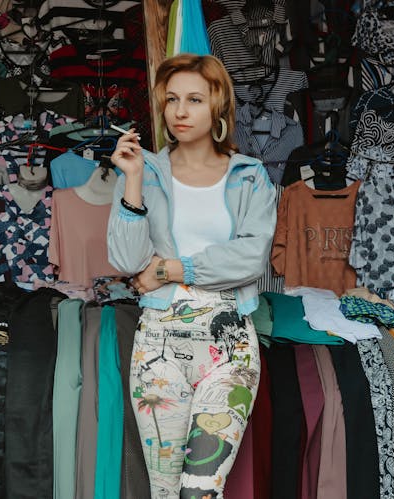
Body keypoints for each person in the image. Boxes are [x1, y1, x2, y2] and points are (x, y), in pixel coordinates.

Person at [108, 53, 276, 498]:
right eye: (172, 100)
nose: (180, 111)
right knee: (165, 492)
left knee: (199, 490)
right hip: (157, 351)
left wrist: (169, 269)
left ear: (218, 106)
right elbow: (127, 260)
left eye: (195, 100)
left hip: (230, 350)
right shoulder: (147, 173)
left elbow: (251, 258)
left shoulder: (249, 177)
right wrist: (131, 181)